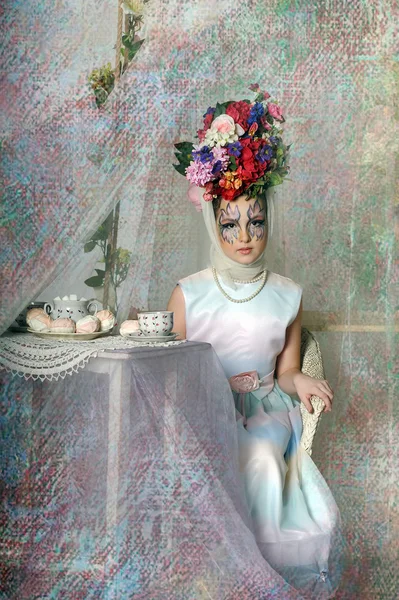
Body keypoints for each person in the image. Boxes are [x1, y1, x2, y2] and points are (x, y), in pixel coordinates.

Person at [168, 85, 343, 598]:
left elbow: (286, 370)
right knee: (221, 457)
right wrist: (207, 396)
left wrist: (300, 376)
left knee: (264, 458)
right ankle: (221, 570)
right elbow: (174, 371)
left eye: (256, 221)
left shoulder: (287, 294)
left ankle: (263, 574)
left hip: (264, 412)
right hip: (208, 411)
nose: (245, 236)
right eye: (230, 225)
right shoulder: (190, 294)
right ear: (212, 223)